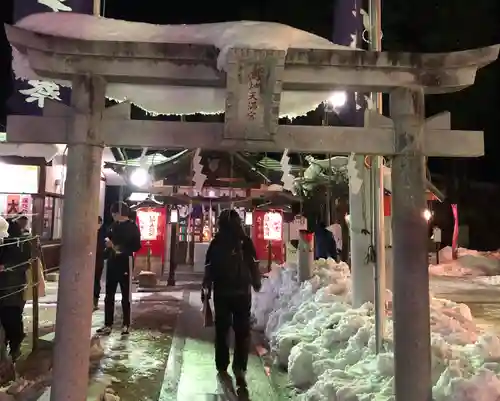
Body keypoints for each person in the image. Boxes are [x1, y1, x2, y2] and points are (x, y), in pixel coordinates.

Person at [202, 209, 261, 389]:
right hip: (242, 292)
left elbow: (209, 267)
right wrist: (256, 282)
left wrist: (206, 288)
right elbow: (253, 263)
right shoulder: (245, 241)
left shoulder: (217, 242)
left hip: (222, 292)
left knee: (222, 329)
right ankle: (240, 367)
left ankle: (222, 364)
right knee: (242, 331)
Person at [96, 203, 141, 336]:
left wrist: (115, 247)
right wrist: (106, 250)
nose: (113, 216)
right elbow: (106, 244)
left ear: (119, 213)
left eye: (114, 213)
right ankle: (108, 324)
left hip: (125, 262)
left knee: (125, 294)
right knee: (109, 295)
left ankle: (126, 324)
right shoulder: (113, 226)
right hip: (111, 262)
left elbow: (136, 246)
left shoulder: (132, 227)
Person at [0, 218, 31, 361]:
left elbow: (24, 264)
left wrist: (6, 267)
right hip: (9, 290)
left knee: (11, 319)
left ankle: (13, 349)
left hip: (11, 290)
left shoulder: (19, 243)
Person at [93, 216, 106, 311]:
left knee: (96, 281)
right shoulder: (90, 232)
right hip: (90, 260)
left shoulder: (103, 233)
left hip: (98, 260)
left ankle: (95, 301)